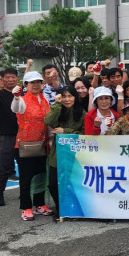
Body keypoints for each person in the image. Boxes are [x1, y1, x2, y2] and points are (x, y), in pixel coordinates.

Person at [10, 71, 53, 221]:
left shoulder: (44, 99)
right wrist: (15, 97)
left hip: (42, 144)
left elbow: (48, 121)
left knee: (41, 175)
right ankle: (26, 207)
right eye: (32, 82)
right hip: (26, 145)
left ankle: (39, 204)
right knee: (26, 177)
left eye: (38, 82)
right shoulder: (22, 100)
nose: (35, 85)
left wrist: (51, 139)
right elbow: (15, 108)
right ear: (25, 85)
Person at [44, 85, 85, 219]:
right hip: (58, 154)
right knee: (53, 184)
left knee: (73, 183)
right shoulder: (58, 109)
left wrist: (65, 131)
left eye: (70, 96)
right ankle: (61, 209)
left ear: (75, 97)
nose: (67, 99)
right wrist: (56, 104)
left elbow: (84, 134)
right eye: (64, 96)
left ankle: (72, 210)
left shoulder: (82, 113)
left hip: (75, 154)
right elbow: (48, 121)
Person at [0, 68, 20, 207]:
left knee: (25, 166)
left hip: (22, 135)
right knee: (3, 167)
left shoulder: (23, 94)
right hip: (5, 136)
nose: (11, 80)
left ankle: (25, 193)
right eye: (7, 77)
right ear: (1, 80)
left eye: (13, 77)